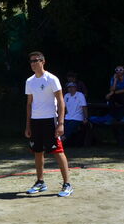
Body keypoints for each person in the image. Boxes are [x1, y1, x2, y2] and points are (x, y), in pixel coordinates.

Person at [24, 51, 73, 197]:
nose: (33, 63)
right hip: (35, 121)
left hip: (50, 120)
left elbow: (61, 101)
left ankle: (67, 184)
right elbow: (29, 104)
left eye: (36, 60)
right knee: (37, 151)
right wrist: (27, 125)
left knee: (58, 151)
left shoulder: (52, 79)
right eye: (31, 61)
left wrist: (61, 123)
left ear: (43, 61)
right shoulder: (29, 81)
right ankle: (40, 182)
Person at [62, 81, 88, 146]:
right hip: (67, 117)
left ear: (75, 88)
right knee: (62, 127)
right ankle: (61, 141)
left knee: (69, 129)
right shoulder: (66, 96)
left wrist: (85, 118)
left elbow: (84, 107)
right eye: (69, 87)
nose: (71, 89)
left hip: (77, 118)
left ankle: (62, 142)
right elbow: (64, 107)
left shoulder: (80, 95)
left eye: (72, 87)